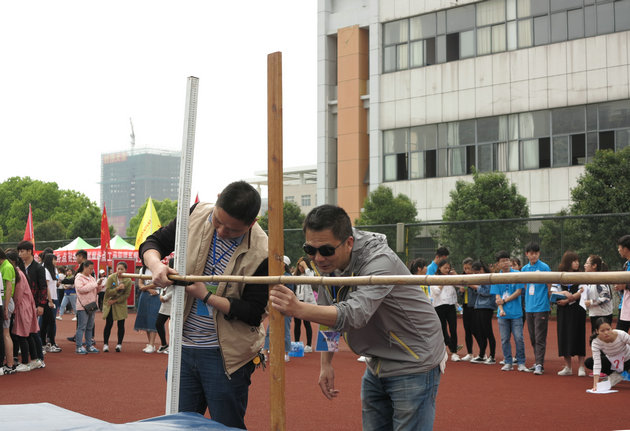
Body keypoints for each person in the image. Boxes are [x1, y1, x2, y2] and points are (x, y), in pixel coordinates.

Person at [270, 204, 446, 431]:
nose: (317, 258)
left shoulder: (380, 261)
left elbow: (355, 313)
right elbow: (328, 316)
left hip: (414, 360)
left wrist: (298, 308)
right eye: (309, 249)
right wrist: (326, 364)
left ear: (349, 243)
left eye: (325, 250)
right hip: (377, 362)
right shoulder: (327, 264)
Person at [139, 181, 269, 430]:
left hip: (226, 357)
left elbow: (253, 313)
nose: (221, 231)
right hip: (183, 348)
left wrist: (206, 296)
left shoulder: (263, 251)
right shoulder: (195, 214)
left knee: (226, 425)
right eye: (217, 221)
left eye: (232, 230)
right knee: (177, 424)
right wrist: (156, 265)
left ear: (251, 223)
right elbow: (152, 243)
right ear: (218, 199)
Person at [492, 250, 528, 372]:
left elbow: (518, 292)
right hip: (503, 315)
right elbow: (497, 296)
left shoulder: (517, 274)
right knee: (504, 339)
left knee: (519, 338)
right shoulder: (496, 277)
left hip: (516, 313)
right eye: (503, 261)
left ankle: (521, 362)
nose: (506, 263)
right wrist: (501, 308)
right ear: (498, 264)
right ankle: (508, 362)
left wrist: (505, 301)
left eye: (507, 260)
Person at [552, 251, 586, 377]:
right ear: (568, 262)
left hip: (578, 310)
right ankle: (568, 367)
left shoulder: (581, 276)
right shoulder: (560, 276)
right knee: (564, 335)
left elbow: (582, 291)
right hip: (563, 311)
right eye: (574, 260)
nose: (577, 263)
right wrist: (565, 294)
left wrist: (569, 298)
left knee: (578, 335)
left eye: (578, 260)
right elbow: (553, 292)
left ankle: (581, 367)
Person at [5, 249, 39, 373]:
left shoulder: (17, 274)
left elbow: (18, 295)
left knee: (22, 335)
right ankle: (34, 360)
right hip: (25, 307)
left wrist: (12, 308)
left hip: (22, 307)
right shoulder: (20, 272)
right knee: (27, 334)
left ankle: (26, 361)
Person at [521, 242, 551, 375]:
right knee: (533, 337)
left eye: (536, 253)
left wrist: (546, 300)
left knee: (540, 337)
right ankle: (537, 361)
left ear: (539, 254)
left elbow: (549, 286)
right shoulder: (524, 269)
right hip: (529, 307)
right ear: (527, 254)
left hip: (541, 307)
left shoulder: (544, 267)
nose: (533, 255)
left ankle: (539, 363)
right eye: (531, 253)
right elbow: (526, 287)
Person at [16, 241, 46, 369]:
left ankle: (39, 358)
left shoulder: (38, 268)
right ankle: (32, 357)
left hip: (34, 303)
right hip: (24, 304)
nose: (20, 254)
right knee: (26, 332)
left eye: (22, 251)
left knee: (34, 332)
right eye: (19, 251)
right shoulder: (21, 266)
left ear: (29, 251)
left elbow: (43, 287)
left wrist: (41, 305)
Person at [585, 318, 630, 391]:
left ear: (611, 328)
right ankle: (618, 373)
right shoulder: (596, 342)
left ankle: (624, 372)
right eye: (602, 331)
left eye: (608, 329)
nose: (606, 333)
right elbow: (597, 363)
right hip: (613, 363)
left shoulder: (621, 334)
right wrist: (595, 384)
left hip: (628, 360)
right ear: (597, 331)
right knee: (589, 362)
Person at [431, 259, 461, 362]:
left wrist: (454, 275)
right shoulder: (434, 278)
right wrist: (443, 281)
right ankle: (446, 348)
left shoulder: (451, 277)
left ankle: (454, 352)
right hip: (439, 306)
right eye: (445, 268)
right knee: (442, 329)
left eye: (449, 268)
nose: (447, 270)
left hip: (450, 305)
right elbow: (435, 292)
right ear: (439, 268)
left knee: (453, 329)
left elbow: (461, 285)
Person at [102, 262, 132, 352]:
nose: (119, 271)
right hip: (110, 303)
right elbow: (107, 292)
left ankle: (119, 344)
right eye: (118, 269)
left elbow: (127, 295)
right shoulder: (111, 277)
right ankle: (105, 344)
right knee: (109, 324)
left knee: (121, 325)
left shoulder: (128, 280)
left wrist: (116, 300)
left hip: (120, 304)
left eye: (122, 269)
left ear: (125, 270)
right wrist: (117, 288)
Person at [74, 260, 102, 354]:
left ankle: (89, 345)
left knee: (90, 326)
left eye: (92, 268)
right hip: (83, 306)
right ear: (84, 267)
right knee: (82, 327)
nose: (91, 270)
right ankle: (79, 346)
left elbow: (96, 290)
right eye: (90, 268)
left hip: (92, 304)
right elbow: (81, 289)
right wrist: (95, 284)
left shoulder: (91, 278)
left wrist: (99, 285)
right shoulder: (79, 278)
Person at [581, 255, 613, 330]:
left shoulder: (599, 280)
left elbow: (606, 297)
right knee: (596, 338)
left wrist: (591, 302)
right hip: (595, 314)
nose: (584, 265)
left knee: (601, 338)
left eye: (587, 263)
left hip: (603, 315)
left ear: (594, 266)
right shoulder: (592, 281)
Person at [134, 266, 161, 353]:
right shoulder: (143, 269)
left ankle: (152, 344)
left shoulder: (159, 267)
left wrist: (146, 287)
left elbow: (159, 283)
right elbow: (140, 285)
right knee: (146, 318)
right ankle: (150, 343)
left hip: (156, 294)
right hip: (145, 295)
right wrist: (148, 289)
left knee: (153, 319)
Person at [293, 256, 317, 353]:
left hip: (306, 302)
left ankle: (309, 345)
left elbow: (312, 279)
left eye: (302, 266)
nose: (301, 268)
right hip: (297, 302)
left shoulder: (310, 274)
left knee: (307, 323)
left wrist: (306, 267)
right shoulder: (295, 276)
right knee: (297, 324)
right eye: (299, 266)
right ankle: (297, 344)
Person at [458, 257, 478, 361]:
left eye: (469, 268)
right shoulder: (463, 278)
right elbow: (460, 294)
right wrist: (461, 291)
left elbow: (478, 291)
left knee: (476, 330)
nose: (467, 271)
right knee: (467, 330)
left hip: (474, 306)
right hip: (465, 306)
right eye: (465, 269)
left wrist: (470, 285)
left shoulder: (476, 277)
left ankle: (482, 352)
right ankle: (470, 353)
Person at [0, 248, 16, 373]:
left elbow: (9, 287)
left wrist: (5, 307)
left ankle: (9, 364)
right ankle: (9, 363)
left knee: (5, 334)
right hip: (6, 301)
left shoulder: (6, 267)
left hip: (6, 301)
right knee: (6, 333)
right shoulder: (7, 265)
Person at [41, 254, 61, 353]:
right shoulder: (45, 270)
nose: (55, 261)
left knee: (46, 322)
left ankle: (45, 343)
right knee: (50, 322)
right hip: (49, 299)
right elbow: (46, 287)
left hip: (54, 297)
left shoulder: (53, 270)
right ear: (49, 260)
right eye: (54, 260)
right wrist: (50, 300)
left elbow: (53, 284)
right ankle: (50, 343)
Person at [614, 235, 630, 332]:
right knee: (620, 335)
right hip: (624, 305)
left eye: (620, 247)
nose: (618, 250)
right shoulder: (626, 264)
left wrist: (625, 286)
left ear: (626, 248)